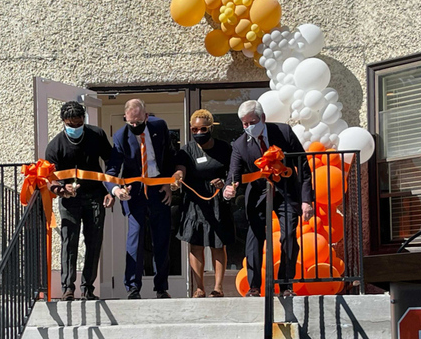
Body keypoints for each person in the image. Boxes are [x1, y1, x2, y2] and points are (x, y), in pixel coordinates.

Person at [223, 100, 314, 297]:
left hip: (286, 192)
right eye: (244, 124)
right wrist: (229, 189)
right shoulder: (239, 144)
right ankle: (254, 286)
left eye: (252, 122)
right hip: (258, 195)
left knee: (289, 236)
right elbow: (234, 173)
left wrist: (307, 200)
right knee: (254, 239)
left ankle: (286, 284)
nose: (248, 127)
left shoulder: (283, 132)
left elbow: (303, 165)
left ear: (262, 118)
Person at [106, 98, 177, 299]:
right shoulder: (120, 136)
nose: (136, 126)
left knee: (161, 238)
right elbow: (111, 169)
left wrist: (169, 183)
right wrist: (116, 190)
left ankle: (161, 287)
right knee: (135, 240)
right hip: (134, 192)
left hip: (158, 188)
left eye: (139, 121)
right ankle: (133, 287)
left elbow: (170, 156)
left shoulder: (159, 126)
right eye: (132, 123)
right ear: (125, 119)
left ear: (147, 116)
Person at [44, 101, 111, 301]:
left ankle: (88, 287)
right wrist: (61, 189)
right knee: (69, 242)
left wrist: (112, 189)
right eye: (70, 124)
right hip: (69, 199)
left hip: (95, 196)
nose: (74, 127)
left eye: (78, 123)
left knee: (94, 242)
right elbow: (49, 177)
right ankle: (67, 288)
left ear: (84, 119)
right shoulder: (55, 145)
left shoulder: (96, 135)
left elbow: (112, 161)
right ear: (63, 122)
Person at [172, 109, 235, 298]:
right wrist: (177, 178)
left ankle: (218, 287)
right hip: (194, 202)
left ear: (210, 128)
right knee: (196, 244)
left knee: (218, 244)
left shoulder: (224, 148)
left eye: (203, 129)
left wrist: (224, 182)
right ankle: (199, 287)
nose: (199, 133)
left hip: (217, 200)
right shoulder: (186, 150)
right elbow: (180, 170)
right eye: (195, 129)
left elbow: (233, 172)